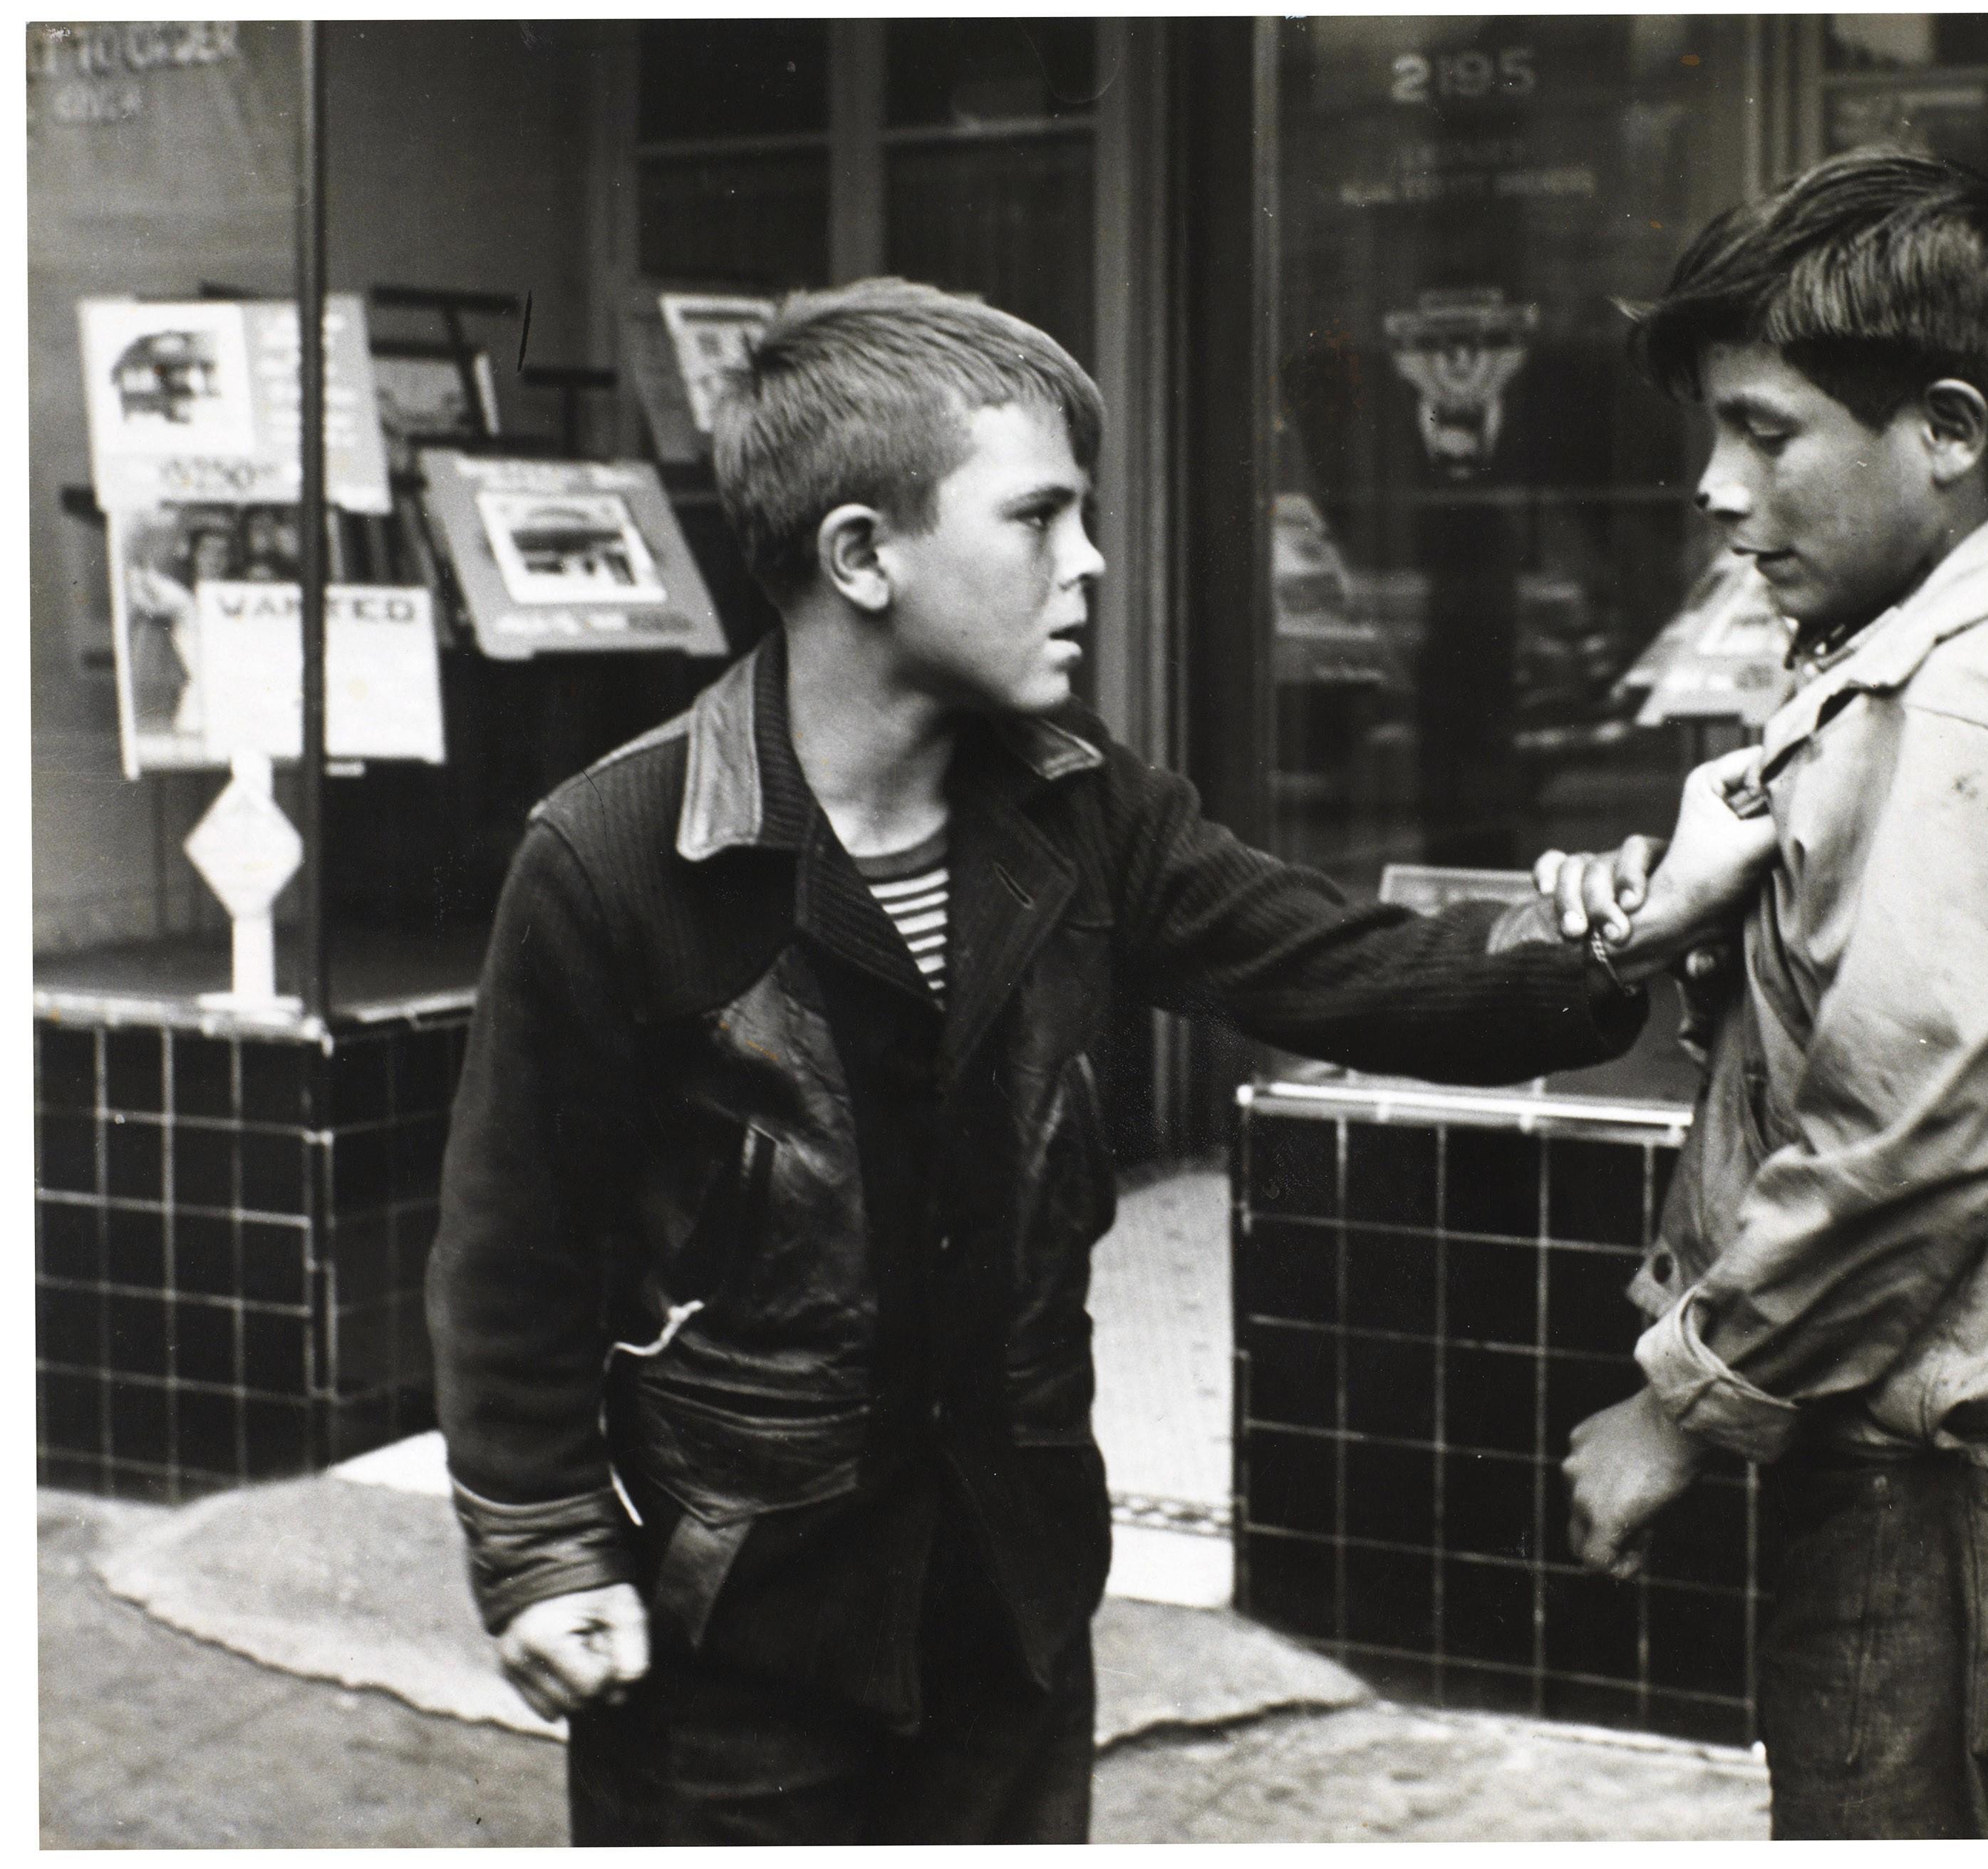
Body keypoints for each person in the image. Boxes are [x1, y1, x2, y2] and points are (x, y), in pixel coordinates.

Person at [425, 277, 1776, 1846]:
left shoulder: (1084, 813)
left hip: (1010, 1613)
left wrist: (1627, 929)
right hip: (734, 1633)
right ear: (863, 555)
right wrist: (543, 1544)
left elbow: (1349, 971)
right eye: (1039, 518)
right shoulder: (616, 854)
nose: (1091, 562)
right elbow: (515, 1242)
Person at [1548, 150, 1988, 1838]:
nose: (1714, 487)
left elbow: (1901, 1141)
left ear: (1945, 428)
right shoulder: (1933, 651)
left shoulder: (1963, 704)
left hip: (1969, 1501)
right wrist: (1689, 915)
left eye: (1763, 430)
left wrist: (1678, 1404)